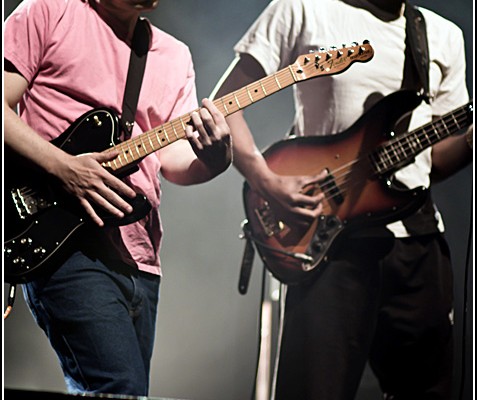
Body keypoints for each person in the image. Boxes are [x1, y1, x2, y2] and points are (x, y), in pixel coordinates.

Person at [212, 0, 473, 399]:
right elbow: (224, 104)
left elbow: (430, 160)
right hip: (329, 242)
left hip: (416, 244)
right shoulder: (303, 8)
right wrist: (265, 181)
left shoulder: (442, 34)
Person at [4, 0, 232, 396]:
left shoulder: (174, 55)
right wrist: (64, 168)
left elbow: (173, 160)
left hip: (140, 256)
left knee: (127, 391)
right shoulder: (47, 11)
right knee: (118, 387)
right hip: (64, 243)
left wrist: (214, 159)